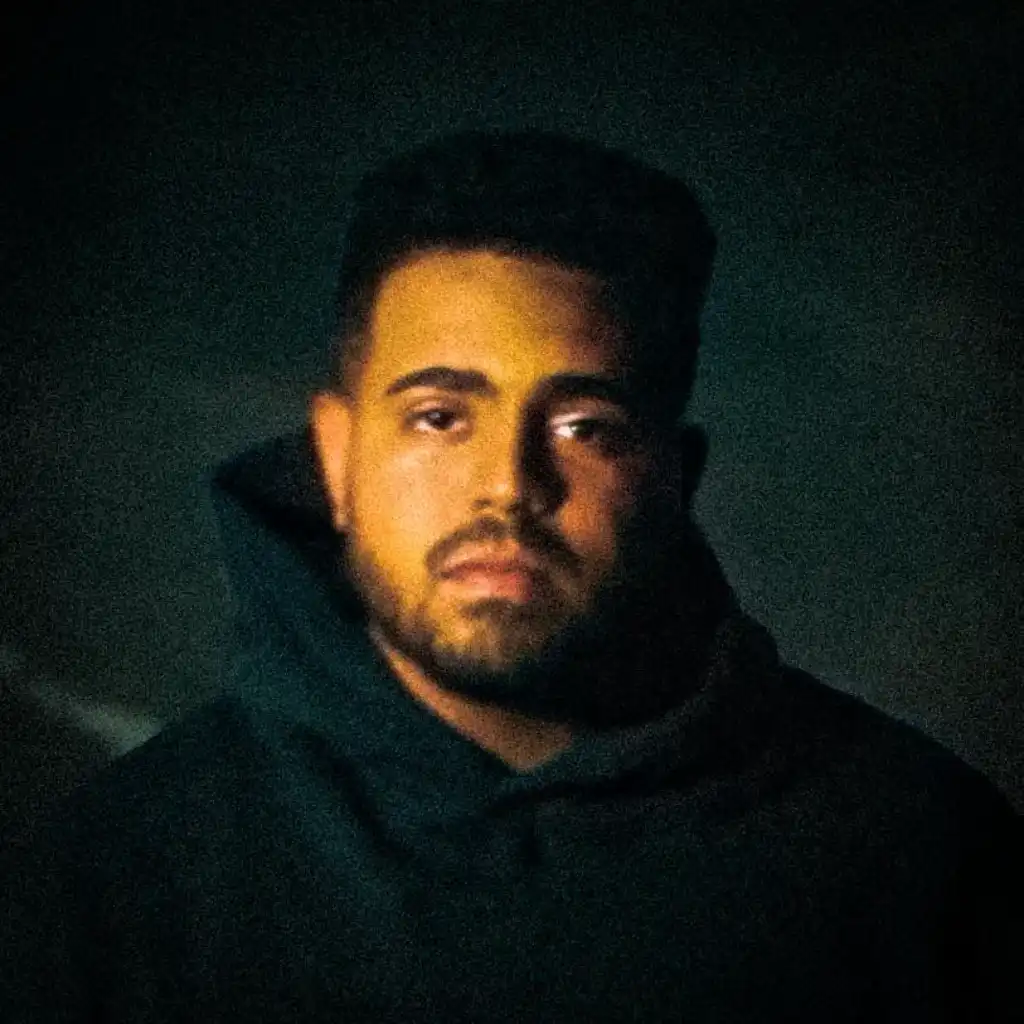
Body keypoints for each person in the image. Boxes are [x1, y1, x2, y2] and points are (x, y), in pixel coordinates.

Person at [0, 129, 1020, 1023]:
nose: (508, 485)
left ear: (674, 478)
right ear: (336, 460)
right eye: (440, 416)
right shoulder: (110, 888)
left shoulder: (927, 864)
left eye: (585, 426)